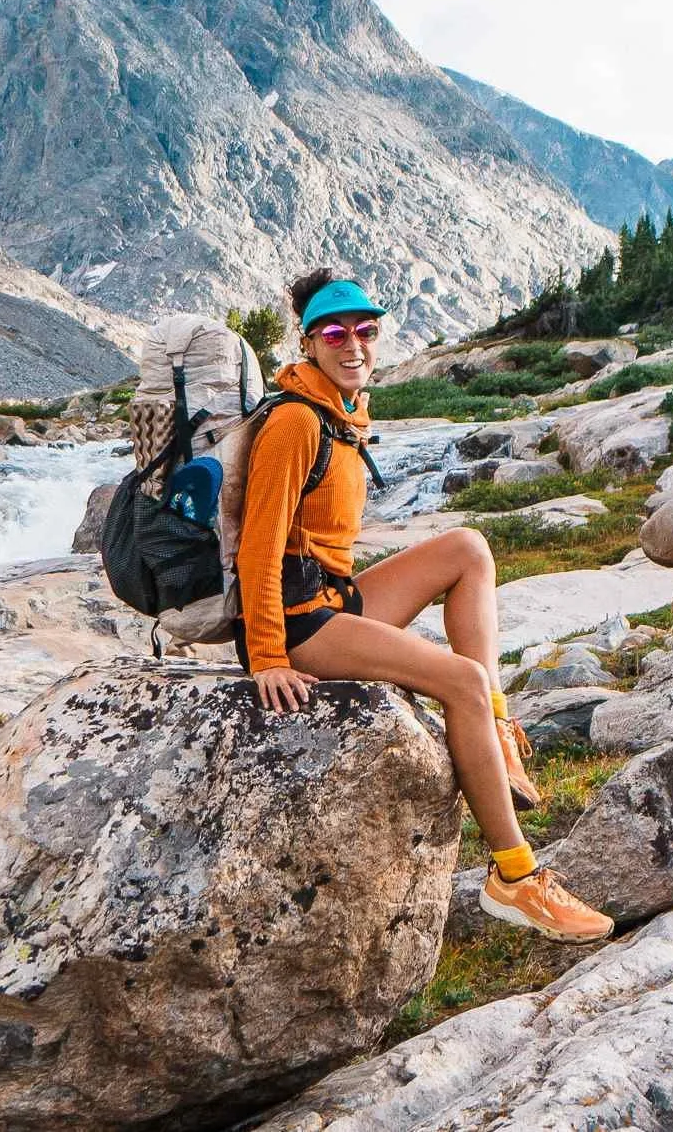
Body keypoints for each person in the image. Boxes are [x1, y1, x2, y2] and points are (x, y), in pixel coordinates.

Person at [233, 268, 613, 944]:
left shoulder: (337, 410)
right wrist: (265, 656)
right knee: (460, 680)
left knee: (468, 547)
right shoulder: (295, 421)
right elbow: (258, 550)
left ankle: (494, 730)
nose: (353, 344)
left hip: (333, 600)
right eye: (334, 332)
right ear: (309, 341)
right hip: (299, 626)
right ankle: (515, 877)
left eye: (365, 330)